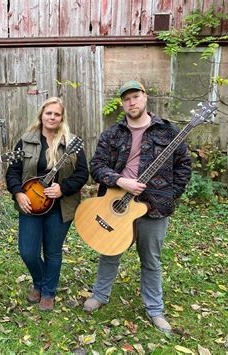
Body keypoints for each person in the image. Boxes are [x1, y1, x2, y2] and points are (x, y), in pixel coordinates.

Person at [82, 80, 192, 333]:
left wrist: (170, 195)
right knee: (109, 252)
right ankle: (100, 295)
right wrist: (121, 181)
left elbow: (184, 167)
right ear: (122, 104)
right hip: (117, 202)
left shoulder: (169, 132)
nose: (131, 102)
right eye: (126, 99)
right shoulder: (112, 134)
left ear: (145, 98)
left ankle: (155, 309)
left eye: (135, 96)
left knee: (151, 260)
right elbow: (96, 166)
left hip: (154, 208)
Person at [6, 97, 89, 311]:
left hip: (59, 206)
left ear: (62, 118)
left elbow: (82, 174)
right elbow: (13, 171)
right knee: (28, 251)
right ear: (41, 115)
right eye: (48, 113)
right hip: (31, 204)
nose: (52, 117)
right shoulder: (26, 140)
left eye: (57, 114)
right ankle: (40, 282)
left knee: (52, 251)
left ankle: (48, 292)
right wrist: (18, 193)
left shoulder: (72, 142)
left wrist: (63, 188)